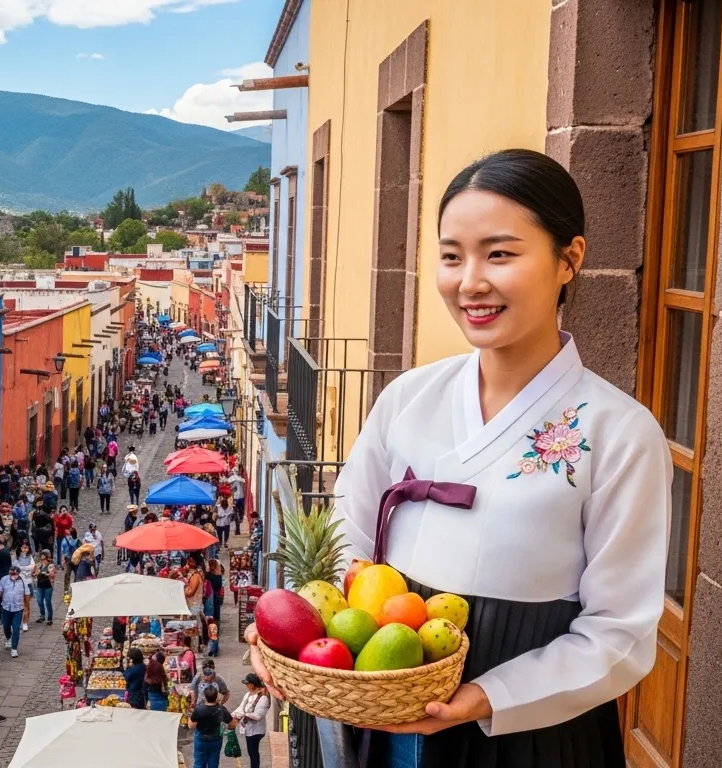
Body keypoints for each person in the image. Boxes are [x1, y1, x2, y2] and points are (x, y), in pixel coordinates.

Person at [244, 149, 673, 768]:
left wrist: (484, 697)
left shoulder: (619, 433)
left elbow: (620, 634)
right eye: (451, 256)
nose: (469, 281)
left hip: (532, 736)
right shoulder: (408, 399)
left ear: (569, 259)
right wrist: (288, 632)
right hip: (388, 713)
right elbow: (344, 538)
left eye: (500, 254)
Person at [188, 684, 233, 768]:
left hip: (201, 740)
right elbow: (232, 723)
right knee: (213, 763)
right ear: (216, 697)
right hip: (216, 740)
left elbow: (191, 726)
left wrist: (190, 715)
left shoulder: (199, 710)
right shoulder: (221, 709)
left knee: (199, 763)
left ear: (205, 697)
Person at [232, 674, 271, 768]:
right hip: (248, 729)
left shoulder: (263, 698)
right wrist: (233, 715)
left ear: (253, 684)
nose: (246, 686)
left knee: (253, 753)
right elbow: (241, 706)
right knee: (251, 752)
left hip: (256, 731)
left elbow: (258, 716)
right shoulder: (248, 694)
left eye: (248, 684)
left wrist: (244, 714)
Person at [0, 565, 30, 657]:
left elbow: (26, 596)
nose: (13, 575)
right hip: (6, 608)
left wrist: (26, 608)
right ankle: (9, 638)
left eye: (15, 574)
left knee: (16, 628)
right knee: (6, 626)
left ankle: (14, 648)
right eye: (12, 573)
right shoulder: (4, 580)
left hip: (18, 609)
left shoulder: (23, 582)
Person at [32, 550, 56, 624]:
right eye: (41, 555)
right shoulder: (38, 564)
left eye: (44, 555)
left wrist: (47, 574)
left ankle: (49, 618)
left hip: (48, 585)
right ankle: (42, 615)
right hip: (40, 585)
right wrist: (35, 574)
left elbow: (53, 575)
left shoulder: (51, 565)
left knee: (48, 602)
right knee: (39, 601)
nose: (42, 557)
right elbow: (33, 573)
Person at [225, 470, 247, 535]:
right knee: (240, 510)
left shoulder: (235, 482)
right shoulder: (241, 481)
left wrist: (231, 488)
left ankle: (238, 521)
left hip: (237, 498)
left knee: (236, 511)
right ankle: (240, 518)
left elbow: (231, 489)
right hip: (241, 497)